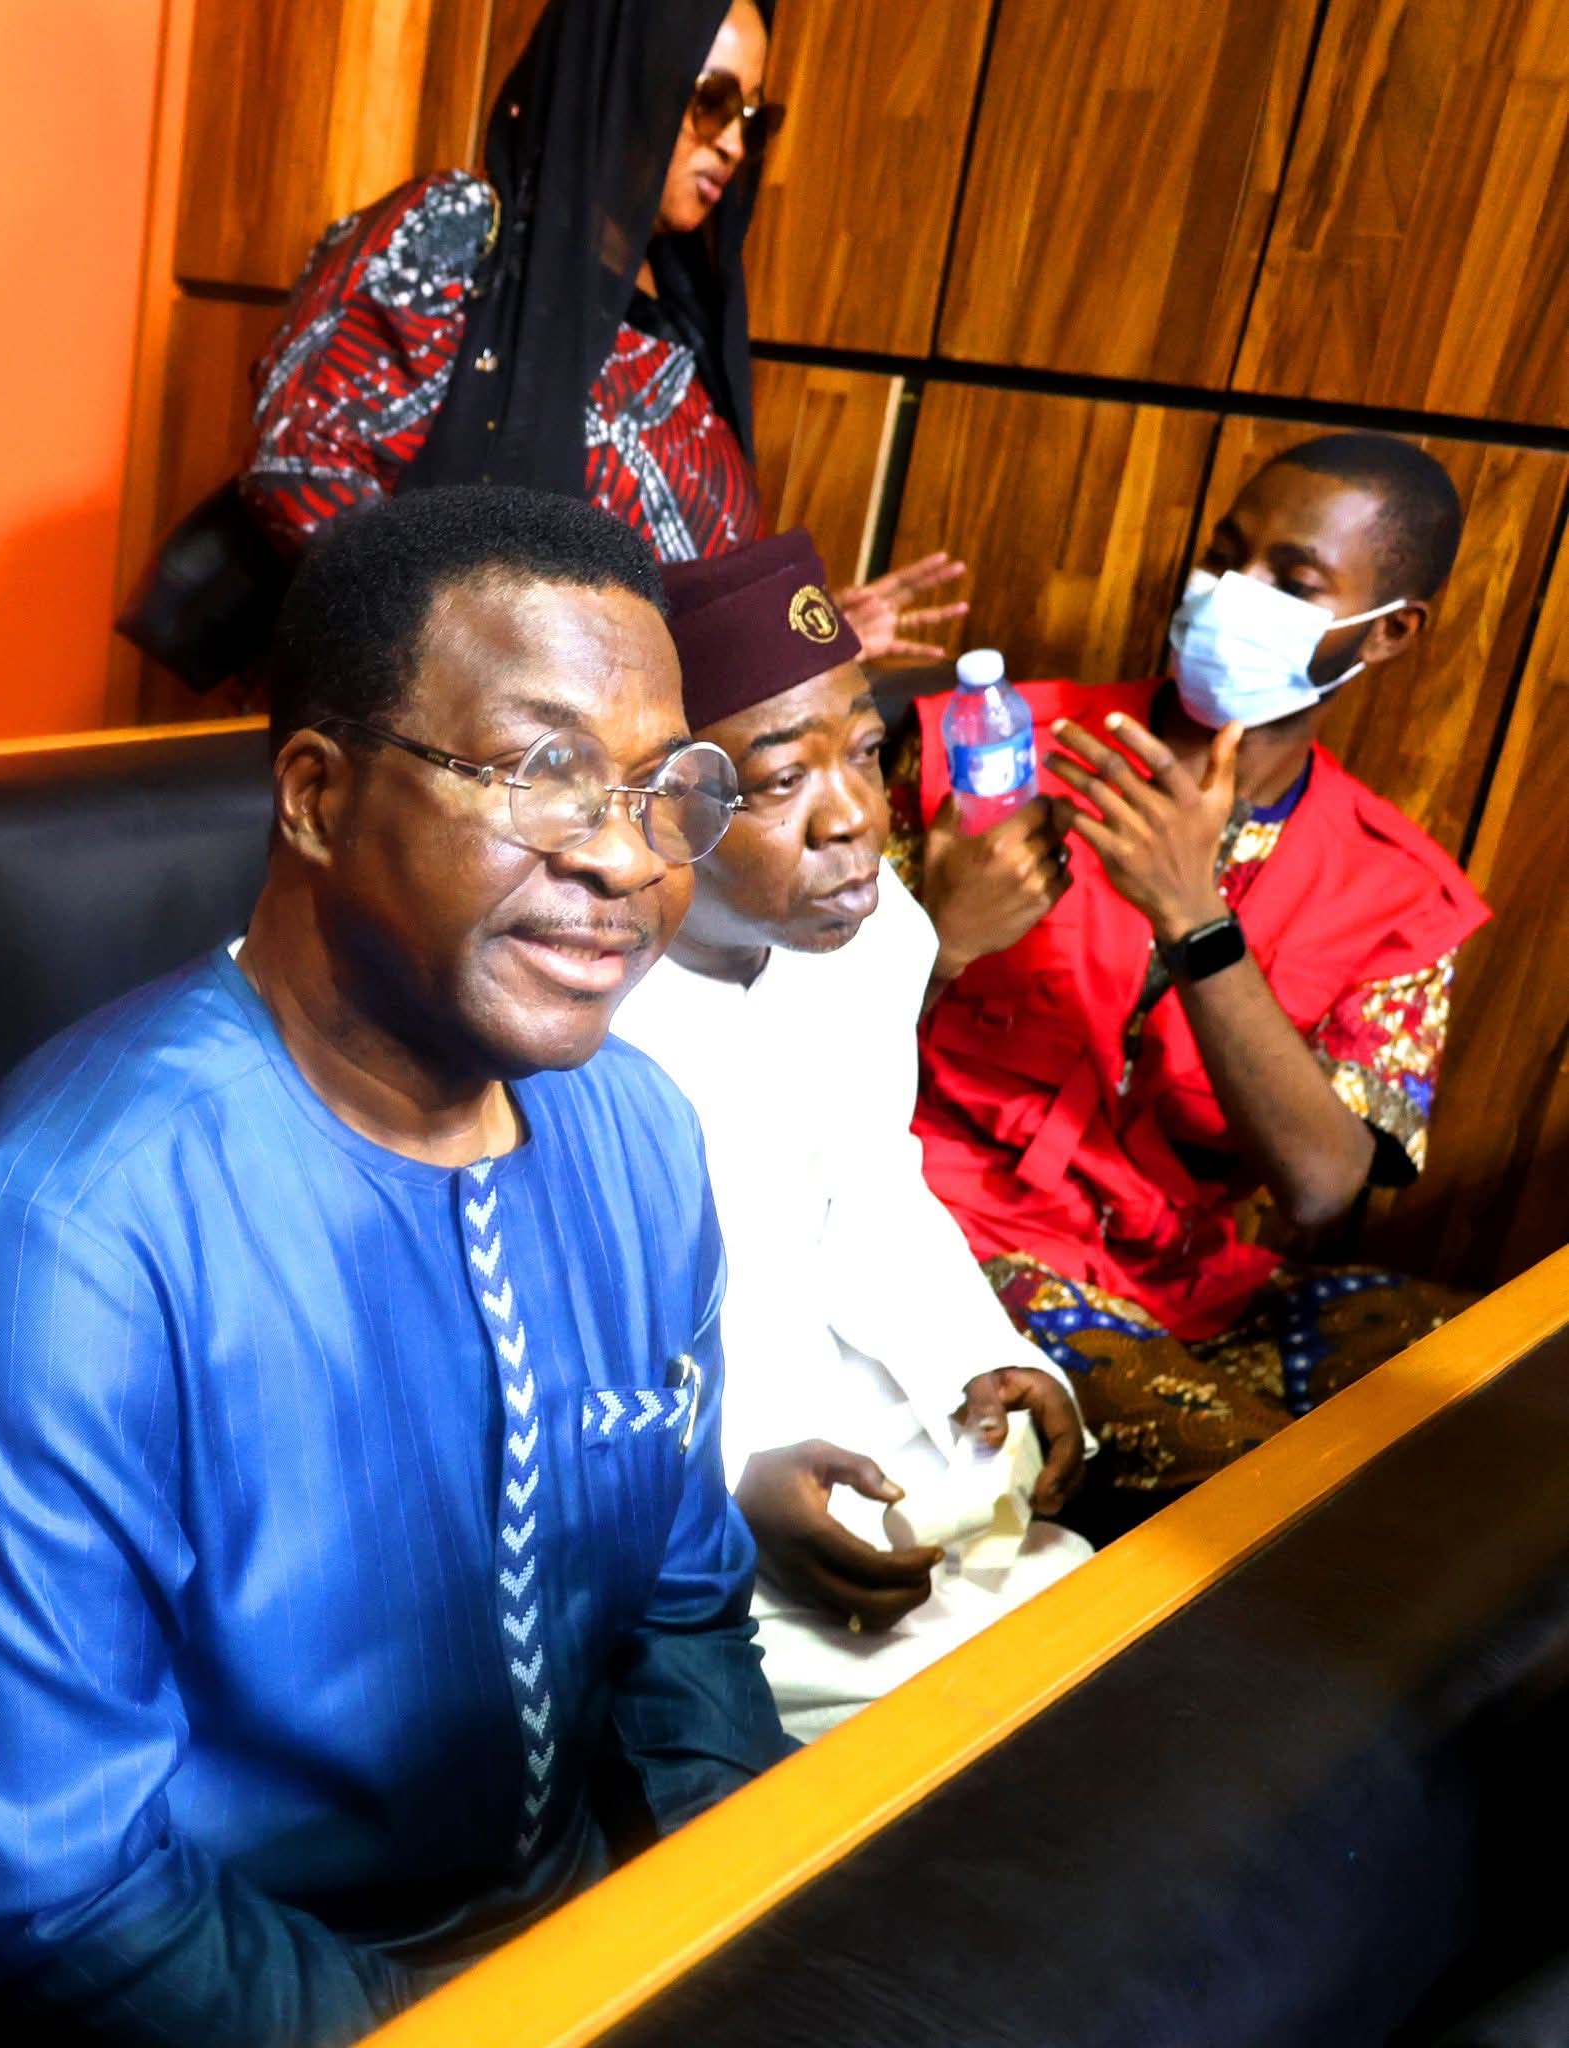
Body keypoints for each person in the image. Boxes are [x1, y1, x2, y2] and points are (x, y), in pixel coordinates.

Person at [0, 487, 788, 2045]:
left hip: (593, 1950)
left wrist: (760, 1929)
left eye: (658, 789)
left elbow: (683, 1620)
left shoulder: (640, 1134)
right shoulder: (66, 1238)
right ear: (313, 795)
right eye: (547, 777)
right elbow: (54, 1894)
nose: (627, 859)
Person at [891, 434, 1491, 1530]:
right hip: (951, 1232)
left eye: (1292, 583)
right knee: (1265, 1498)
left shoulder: (1398, 889)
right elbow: (774, 1034)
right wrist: (942, 939)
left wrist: (1194, 920)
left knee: (1484, 1393)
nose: (1229, 596)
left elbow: (1322, 1187)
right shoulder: (984, 754)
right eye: (1224, 556)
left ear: (1389, 630)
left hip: (1185, 1280)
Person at [611, 530, 1091, 1741]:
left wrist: (982, 1361)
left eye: (867, 753)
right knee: (973, 1729)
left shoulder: (876, 941)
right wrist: (726, 1486)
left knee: (1100, 1633)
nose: (857, 819)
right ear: (661, 802)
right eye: (781, 781)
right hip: (658, 1496)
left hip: (860, 1442)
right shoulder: (567, 1011)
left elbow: (873, 1188)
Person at [236, 0, 965, 660]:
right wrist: (468, 666)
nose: (734, 145)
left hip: (610, 755)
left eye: (753, 118)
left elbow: (668, 617)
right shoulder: (460, 238)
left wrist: (793, 643)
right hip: (443, 743)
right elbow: (300, 464)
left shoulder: (684, 323)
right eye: (712, 101)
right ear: (625, 79)